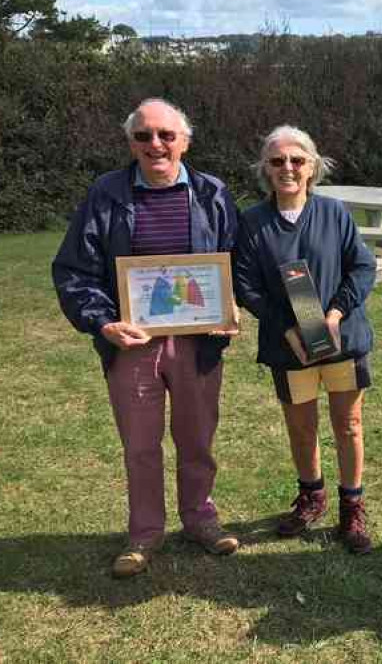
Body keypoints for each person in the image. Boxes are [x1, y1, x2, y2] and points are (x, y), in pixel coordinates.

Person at [53, 98, 241, 578]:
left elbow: (236, 262)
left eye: (165, 135)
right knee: (140, 444)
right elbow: (75, 270)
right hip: (133, 343)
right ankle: (144, 534)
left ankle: (200, 519)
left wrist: (231, 305)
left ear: (185, 140)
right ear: (131, 142)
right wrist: (102, 323)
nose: (155, 145)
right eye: (143, 136)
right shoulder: (106, 194)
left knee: (197, 438)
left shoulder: (212, 193)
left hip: (199, 343)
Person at [233, 126, 377, 554]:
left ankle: (352, 507)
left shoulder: (334, 213)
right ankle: (311, 497)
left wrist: (334, 313)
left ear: (313, 166)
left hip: (340, 337)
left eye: (297, 160)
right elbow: (246, 285)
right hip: (289, 344)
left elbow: (362, 268)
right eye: (277, 161)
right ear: (265, 169)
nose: (288, 168)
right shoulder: (253, 222)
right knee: (301, 427)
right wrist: (286, 327)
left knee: (348, 425)